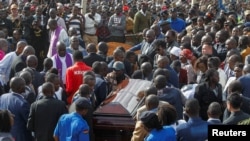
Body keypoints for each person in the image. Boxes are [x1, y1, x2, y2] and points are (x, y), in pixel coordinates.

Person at [0, 77, 33, 141]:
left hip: (4, 135)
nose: (25, 86)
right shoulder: (22, 103)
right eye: (24, 85)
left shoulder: (3, 97)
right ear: (20, 88)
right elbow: (29, 122)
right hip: (20, 136)